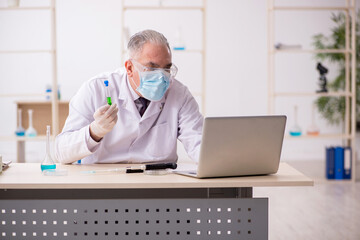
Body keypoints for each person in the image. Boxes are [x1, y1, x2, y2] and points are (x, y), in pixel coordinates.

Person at [55, 29, 203, 164]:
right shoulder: (95, 89)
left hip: (157, 181)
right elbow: (61, 153)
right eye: (151, 68)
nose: (161, 77)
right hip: (103, 182)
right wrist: (94, 132)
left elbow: (199, 144)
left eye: (166, 69)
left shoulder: (179, 94)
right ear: (130, 68)